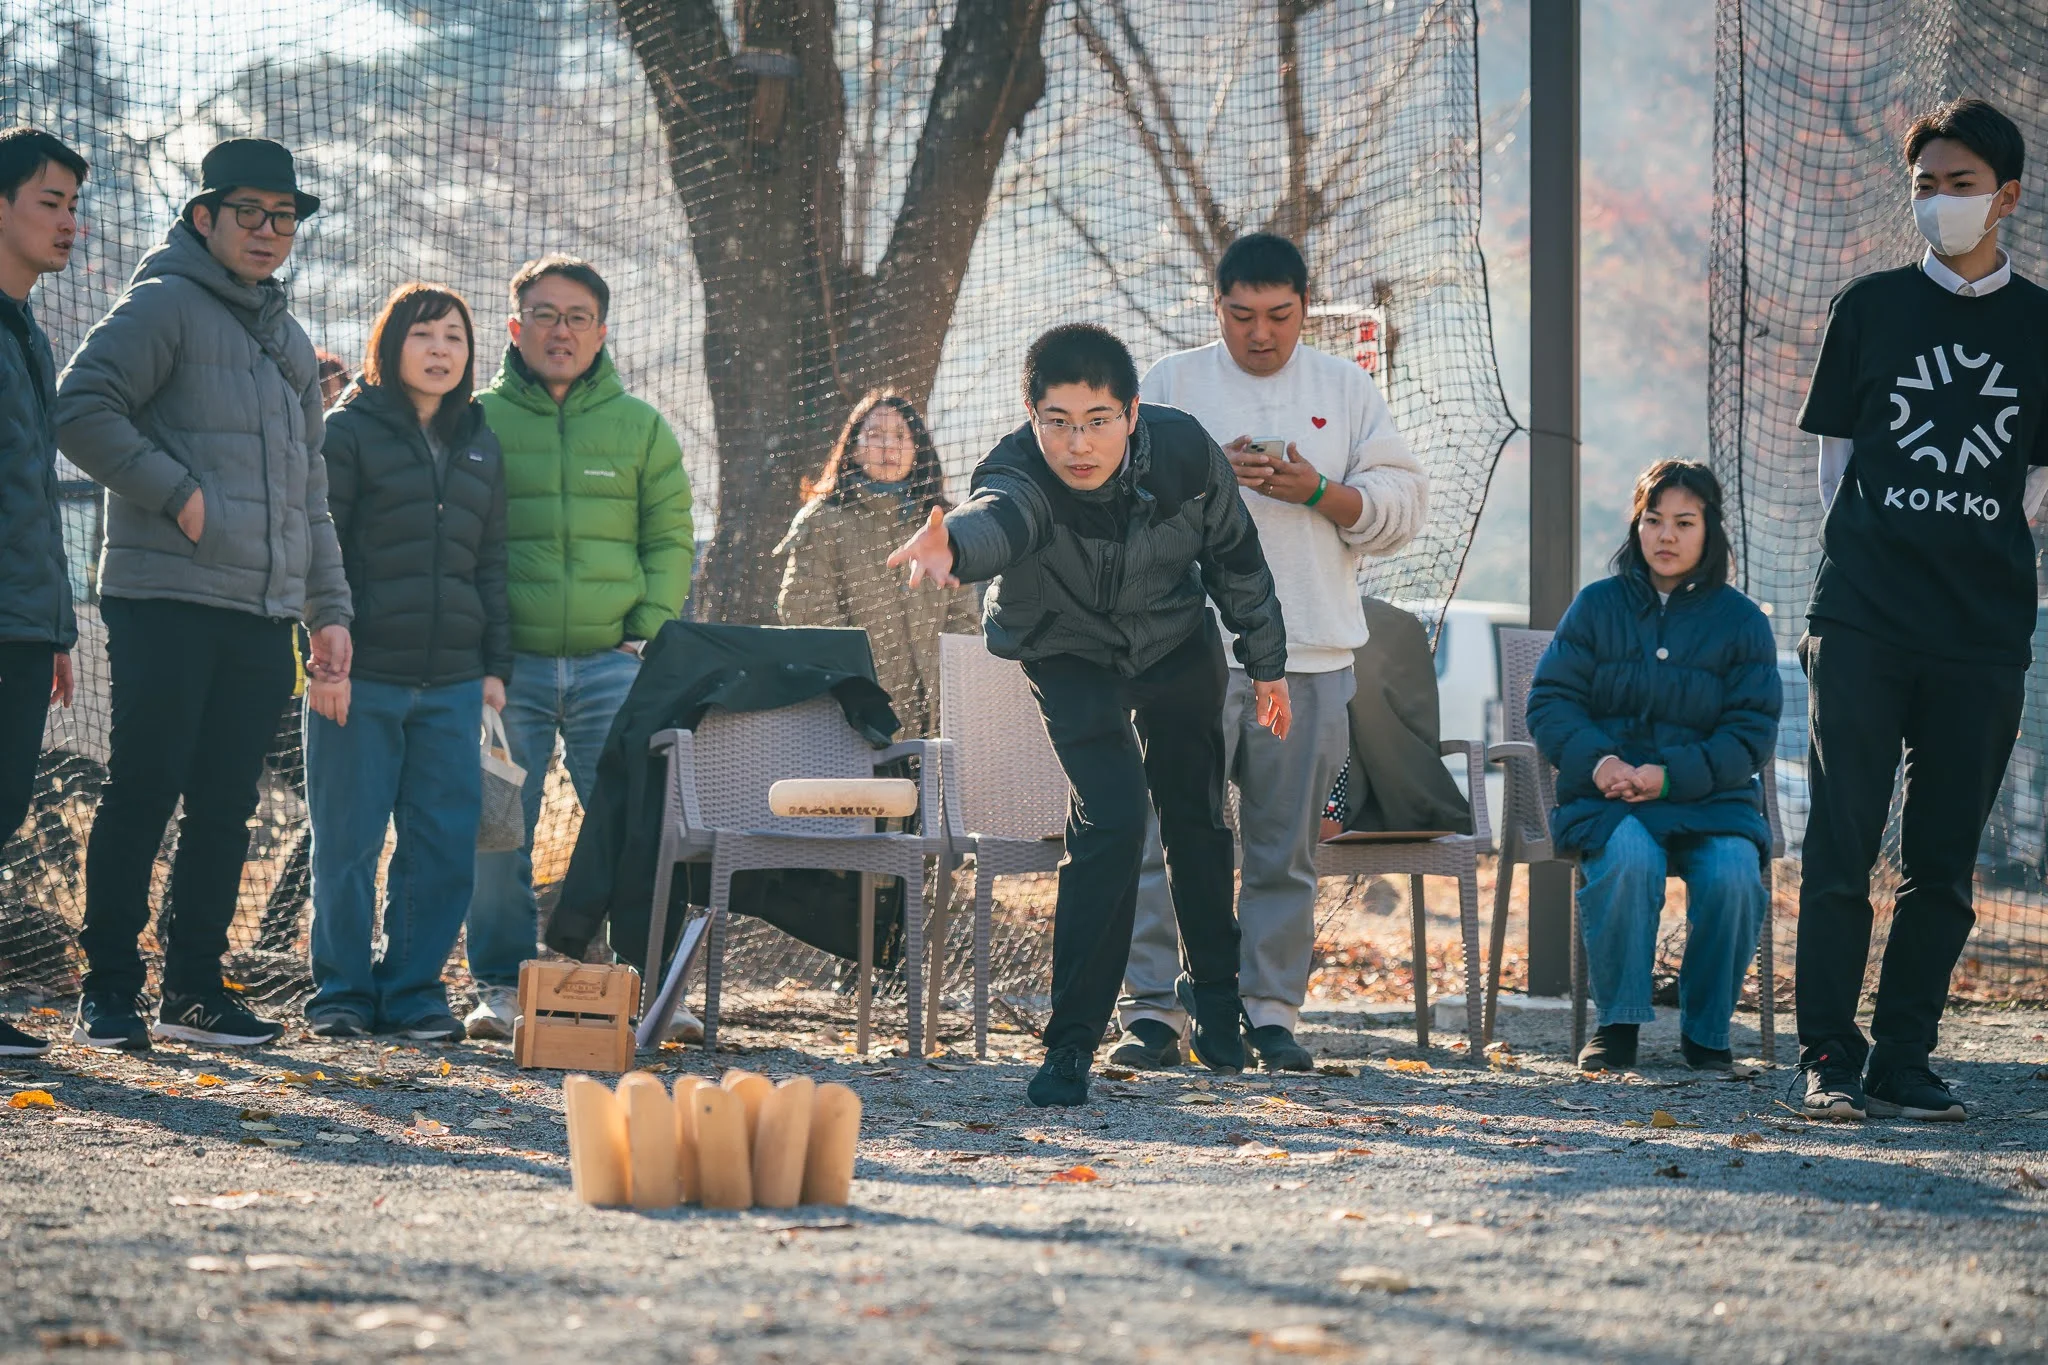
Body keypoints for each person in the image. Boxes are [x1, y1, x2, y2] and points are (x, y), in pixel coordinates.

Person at [887, 323, 1291, 1107]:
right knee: (1110, 815)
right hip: (1066, 646)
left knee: (1197, 816)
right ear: (1031, 414)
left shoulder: (1185, 455)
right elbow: (996, 517)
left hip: (1174, 639)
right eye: (1060, 421)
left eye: (1099, 420)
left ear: (1132, 413)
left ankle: (1214, 999)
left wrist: (1267, 664)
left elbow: (1237, 557)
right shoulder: (1018, 472)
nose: (1080, 443)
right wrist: (954, 548)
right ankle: (1071, 1041)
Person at [56, 137, 351, 1051]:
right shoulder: (163, 304)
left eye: (285, 217)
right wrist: (178, 493)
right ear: (204, 218)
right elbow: (78, 408)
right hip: (164, 597)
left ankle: (193, 993)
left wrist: (329, 610)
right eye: (250, 213)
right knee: (144, 788)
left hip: (261, 615)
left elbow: (311, 494)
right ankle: (108, 990)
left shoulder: (291, 341)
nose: (269, 231)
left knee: (227, 806)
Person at [1113, 233, 1428, 1073]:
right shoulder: (1171, 383)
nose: (1261, 333)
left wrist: (1318, 491)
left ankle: (1269, 1011)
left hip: (1315, 653)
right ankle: (1154, 1012)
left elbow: (1404, 506)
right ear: (1214, 307)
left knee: (1284, 845)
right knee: (1157, 835)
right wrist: (1207, 475)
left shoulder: (1346, 386)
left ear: (1304, 307)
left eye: (1280, 316)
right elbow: (1113, 495)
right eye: (1242, 315)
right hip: (1180, 653)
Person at [1794, 98, 2048, 1122]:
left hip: (1981, 633)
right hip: (1860, 618)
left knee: (1941, 862)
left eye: (1959, 184)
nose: (1939, 202)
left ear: (2007, 196)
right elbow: (1831, 471)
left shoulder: (2037, 325)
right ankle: (1823, 1057)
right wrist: (1885, 558)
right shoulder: (1866, 307)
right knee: (1839, 846)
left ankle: (1902, 1057)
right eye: (1925, 185)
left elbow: (2036, 482)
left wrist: (1979, 553)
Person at [462, 254, 694, 1041]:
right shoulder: (475, 418)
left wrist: (648, 629)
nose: (561, 330)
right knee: (497, 825)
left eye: (578, 317)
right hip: (505, 673)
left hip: (611, 667)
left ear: (601, 331)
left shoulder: (642, 427)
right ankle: (498, 986)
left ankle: (657, 988)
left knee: (639, 826)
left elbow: (669, 537)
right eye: (545, 314)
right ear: (513, 325)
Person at [302, 283, 509, 1042]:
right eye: (424, 334)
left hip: (454, 683)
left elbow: (492, 564)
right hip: (360, 678)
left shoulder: (482, 441)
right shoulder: (347, 432)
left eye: (455, 337)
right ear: (390, 345)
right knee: (348, 843)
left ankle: (416, 991)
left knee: (442, 845)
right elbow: (320, 552)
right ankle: (343, 993)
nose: (441, 350)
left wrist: (495, 668)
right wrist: (324, 665)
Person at [1525, 461, 1780, 1073]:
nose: (1666, 536)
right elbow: (1551, 702)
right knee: (1629, 860)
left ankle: (1707, 1031)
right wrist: (1603, 761)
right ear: (1637, 526)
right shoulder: (1596, 606)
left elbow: (1750, 733)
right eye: (1654, 520)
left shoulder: (1743, 621)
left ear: (1710, 531)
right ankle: (1618, 1023)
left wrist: (1669, 776)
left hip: (1708, 798)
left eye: (1684, 522)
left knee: (1733, 874)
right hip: (1608, 797)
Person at [0, 129, 85, 1059]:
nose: (70, 222)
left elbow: (29, 495)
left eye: (72, 205)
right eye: (49, 202)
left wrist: (56, 625)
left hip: (24, 618)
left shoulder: (26, 333)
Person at [776, 390, 979, 735]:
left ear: (917, 450)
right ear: (853, 448)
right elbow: (805, 608)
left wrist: (953, 691)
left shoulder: (940, 526)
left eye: (901, 436)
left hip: (939, 718)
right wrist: (865, 680)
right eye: (874, 435)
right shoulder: (824, 520)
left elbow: (965, 621)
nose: (888, 446)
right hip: (850, 716)